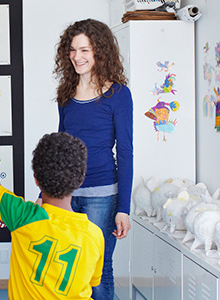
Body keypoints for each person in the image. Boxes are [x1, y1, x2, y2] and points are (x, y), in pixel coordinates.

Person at [0, 80, 104, 299]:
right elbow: (91, 283)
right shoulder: (94, 235)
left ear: (36, 179)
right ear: (79, 180)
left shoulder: (24, 216)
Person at [53, 18, 133, 300]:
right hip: (65, 196)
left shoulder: (118, 95)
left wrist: (123, 208)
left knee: (99, 267)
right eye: (73, 50)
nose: (77, 57)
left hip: (102, 195)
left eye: (84, 50)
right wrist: (46, 194)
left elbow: (125, 153)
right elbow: (60, 150)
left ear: (100, 51)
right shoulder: (66, 95)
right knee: (67, 269)